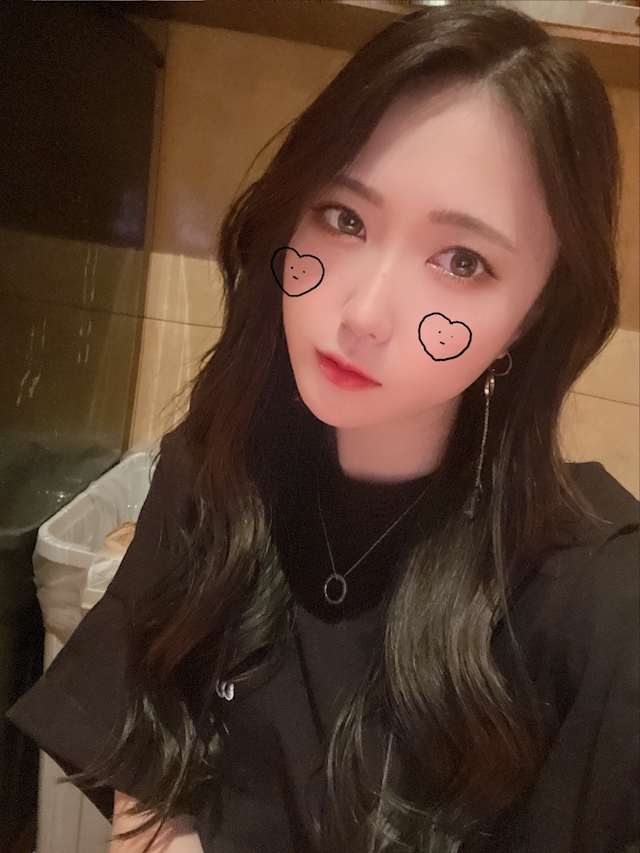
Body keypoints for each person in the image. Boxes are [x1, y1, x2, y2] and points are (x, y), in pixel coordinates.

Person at [8, 5, 639, 852]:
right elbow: (150, 777)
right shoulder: (217, 465)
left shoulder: (600, 603)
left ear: (531, 315)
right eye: (344, 217)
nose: (364, 312)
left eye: (462, 261)